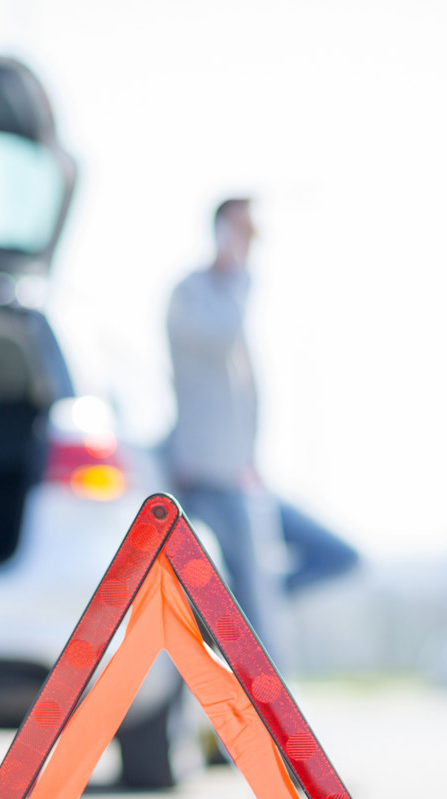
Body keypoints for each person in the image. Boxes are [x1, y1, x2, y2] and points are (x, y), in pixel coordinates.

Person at [165, 198, 357, 655]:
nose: (248, 246)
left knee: (339, 556)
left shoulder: (229, 295)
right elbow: (221, 336)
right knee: (260, 631)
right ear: (219, 231)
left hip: (246, 480)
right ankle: (271, 718)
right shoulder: (193, 294)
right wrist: (237, 273)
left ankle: (238, 606)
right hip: (208, 482)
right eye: (241, 233)